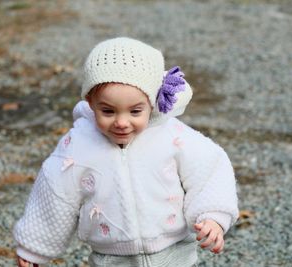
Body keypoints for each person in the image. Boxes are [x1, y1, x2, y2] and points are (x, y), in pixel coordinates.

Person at [14, 37, 239, 267]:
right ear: (91, 102)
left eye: (135, 111)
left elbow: (209, 168)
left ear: (151, 103)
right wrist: (35, 248)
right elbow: (55, 192)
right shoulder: (79, 145)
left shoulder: (171, 135)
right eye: (108, 111)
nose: (122, 122)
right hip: (110, 258)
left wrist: (213, 216)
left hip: (173, 254)